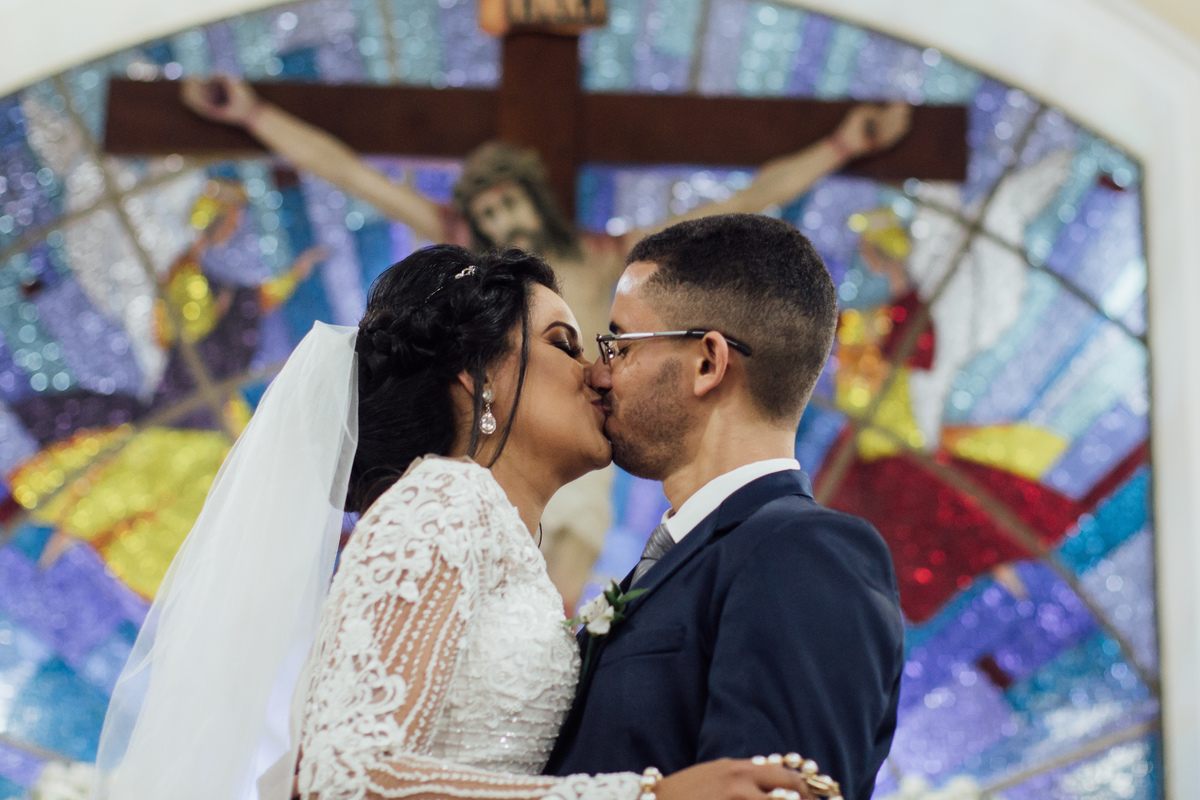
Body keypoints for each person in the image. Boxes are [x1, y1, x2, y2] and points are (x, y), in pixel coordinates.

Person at [92, 244, 833, 800]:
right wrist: (644, 796)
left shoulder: (498, 538)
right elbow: (340, 774)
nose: (596, 373)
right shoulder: (443, 501)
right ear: (476, 378)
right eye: (564, 344)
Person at [180, 76, 912, 612]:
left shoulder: (606, 259)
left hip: (583, 454)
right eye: (487, 213)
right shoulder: (436, 508)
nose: (502, 221)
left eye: (509, 203)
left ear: (533, 195)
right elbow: (348, 173)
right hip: (504, 443)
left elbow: (745, 202)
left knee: (554, 600)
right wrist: (253, 113)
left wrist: (843, 145)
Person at [544, 214, 905, 800]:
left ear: (708, 362)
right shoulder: (684, 558)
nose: (599, 374)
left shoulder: (804, 553)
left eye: (619, 345)